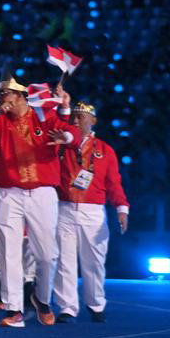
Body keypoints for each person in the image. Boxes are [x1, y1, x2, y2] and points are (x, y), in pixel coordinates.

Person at [0, 75, 76, 328]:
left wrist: (67, 138)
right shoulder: (1, 122)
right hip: (9, 193)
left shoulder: (42, 117)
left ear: (20, 96)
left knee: (47, 255)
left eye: (6, 95)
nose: (1, 99)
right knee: (9, 251)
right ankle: (14, 309)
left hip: (42, 192)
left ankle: (42, 298)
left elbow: (70, 131)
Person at [54, 102, 129, 323]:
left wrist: (121, 208)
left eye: (81, 117)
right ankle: (67, 308)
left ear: (93, 120)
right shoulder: (62, 146)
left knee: (94, 262)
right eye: (73, 117)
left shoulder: (105, 150)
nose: (75, 121)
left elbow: (114, 183)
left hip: (93, 211)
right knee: (64, 262)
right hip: (64, 209)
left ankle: (96, 304)